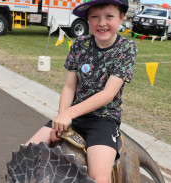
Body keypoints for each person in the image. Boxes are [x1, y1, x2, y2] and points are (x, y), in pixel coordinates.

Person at [25, 0, 137, 182]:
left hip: (103, 119)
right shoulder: (79, 44)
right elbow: (69, 86)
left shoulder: (127, 48)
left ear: (121, 18)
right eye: (95, 17)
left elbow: (108, 94)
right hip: (74, 116)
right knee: (27, 154)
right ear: (87, 19)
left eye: (109, 16)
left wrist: (68, 113)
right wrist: (60, 118)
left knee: (99, 177)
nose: (101, 23)